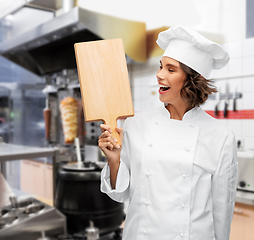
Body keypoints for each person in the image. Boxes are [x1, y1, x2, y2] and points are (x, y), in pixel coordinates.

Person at [98, 25, 238, 240]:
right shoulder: (136, 124)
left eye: (171, 70)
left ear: (193, 79)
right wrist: (115, 160)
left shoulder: (219, 135)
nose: (159, 75)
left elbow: (222, 207)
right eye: (160, 66)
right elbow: (120, 194)